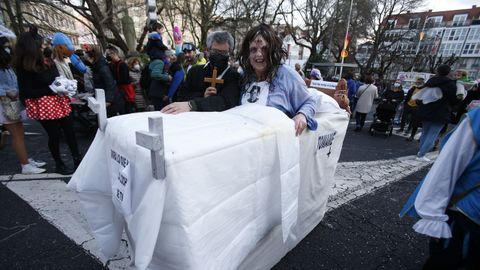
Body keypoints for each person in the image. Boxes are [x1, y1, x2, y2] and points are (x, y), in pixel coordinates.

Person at [400, 108, 480, 270]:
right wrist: (433, 215)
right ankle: (421, 152)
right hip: (468, 216)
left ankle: (421, 151)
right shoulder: (477, 119)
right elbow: (446, 167)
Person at [14, 27, 81, 175]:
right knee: (54, 135)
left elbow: (56, 78)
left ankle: (78, 160)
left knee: (70, 131)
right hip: (43, 105)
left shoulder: (47, 60)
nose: (44, 46)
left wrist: (65, 85)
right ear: (32, 47)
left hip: (59, 100)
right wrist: (50, 90)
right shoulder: (24, 67)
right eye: (41, 44)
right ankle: (59, 163)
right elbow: (26, 92)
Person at [237, 23, 317, 136]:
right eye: (253, 50)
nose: (258, 54)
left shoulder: (287, 75)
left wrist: (302, 115)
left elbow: (309, 102)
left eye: (264, 49)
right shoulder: (244, 76)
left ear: (273, 51)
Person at [161, 31, 240, 114]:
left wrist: (193, 104)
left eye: (223, 53)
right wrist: (202, 95)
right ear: (208, 50)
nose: (219, 55)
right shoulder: (194, 71)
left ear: (229, 52)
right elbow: (182, 96)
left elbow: (227, 102)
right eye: (215, 51)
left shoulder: (234, 76)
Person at [0, 34, 45, 174]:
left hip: (12, 103)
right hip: (5, 104)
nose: (9, 49)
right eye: (6, 46)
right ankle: (25, 165)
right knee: (17, 135)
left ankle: (25, 160)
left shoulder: (6, 66)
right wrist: (7, 93)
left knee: (20, 133)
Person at [416, 64, 458, 161]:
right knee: (433, 134)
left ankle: (420, 151)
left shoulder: (430, 82)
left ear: (437, 71)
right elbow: (453, 100)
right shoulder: (451, 84)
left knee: (425, 132)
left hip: (426, 109)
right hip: (441, 112)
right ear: (448, 72)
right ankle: (421, 154)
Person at [85, 46, 124, 117]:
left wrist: (108, 100)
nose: (88, 60)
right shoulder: (98, 66)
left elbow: (110, 84)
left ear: (93, 57)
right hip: (104, 97)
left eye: (89, 58)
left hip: (110, 101)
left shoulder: (102, 68)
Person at [145, 33, 171, 110]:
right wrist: (168, 77)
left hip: (155, 92)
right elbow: (155, 74)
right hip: (158, 93)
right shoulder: (159, 62)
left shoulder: (153, 60)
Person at [106, 46, 135, 113]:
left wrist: (115, 82)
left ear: (114, 54)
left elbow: (124, 79)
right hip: (120, 92)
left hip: (124, 92)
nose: (108, 56)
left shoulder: (122, 65)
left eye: (109, 54)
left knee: (127, 109)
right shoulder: (113, 65)